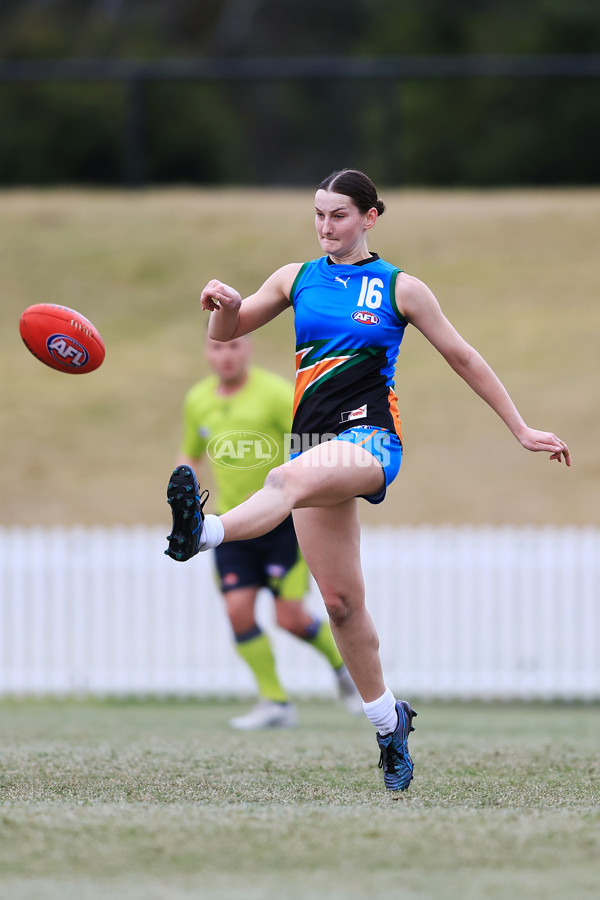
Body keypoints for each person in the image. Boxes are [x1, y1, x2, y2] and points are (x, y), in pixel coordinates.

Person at [165, 168, 570, 792]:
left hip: (370, 440)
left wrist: (520, 429)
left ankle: (203, 531)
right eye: (319, 215)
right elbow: (230, 331)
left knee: (282, 478)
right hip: (313, 443)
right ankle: (389, 723)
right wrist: (219, 310)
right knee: (341, 605)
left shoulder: (400, 287)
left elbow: (463, 356)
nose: (327, 226)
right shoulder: (295, 278)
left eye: (340, 216)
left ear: (370, 217)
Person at [172, 331, 362, 729]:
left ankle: (344, 670)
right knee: (238, 612)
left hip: (280, 523)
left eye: (233, 346)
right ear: (207, 352)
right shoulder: (198, 400)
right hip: (230, 524)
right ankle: (275, 702)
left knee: (290, 618)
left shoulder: (275, 393)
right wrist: (180, 498)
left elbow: (313, 442)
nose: (226, 355)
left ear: (248, 348)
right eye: (217, 347)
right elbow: (189, 455)